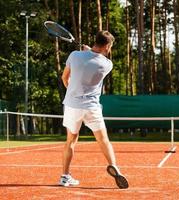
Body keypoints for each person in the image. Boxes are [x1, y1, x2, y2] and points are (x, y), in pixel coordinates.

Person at [59, 31, 128, 189]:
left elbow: (64, 78)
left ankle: (65, 176)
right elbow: (93, 59)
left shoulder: (74, 55)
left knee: (71, 141)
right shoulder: (107, 64)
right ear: (108, 46)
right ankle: (113, 165)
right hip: (92, 107)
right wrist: (88, 51)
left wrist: (72, 92)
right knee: (103, 140)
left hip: (72, 106)